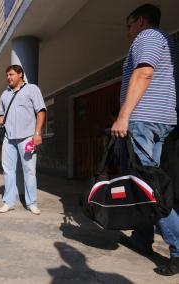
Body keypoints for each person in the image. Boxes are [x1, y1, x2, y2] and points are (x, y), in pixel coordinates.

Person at [111, 4, 179, 276]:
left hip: (143, 119)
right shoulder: (168, 41)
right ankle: (141, 238)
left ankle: (177, 248)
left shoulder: (148, 37)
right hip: (160, 119)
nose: (128, 33)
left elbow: (144, 73)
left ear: (139, 21)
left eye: (129, 26)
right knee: (143, 181)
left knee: (150, 187)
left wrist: (123, 116)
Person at [0, 64, 46, 215]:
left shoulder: (32, 89)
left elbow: (41, 112)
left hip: (27, 137)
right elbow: (1, 115)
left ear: (20, 75)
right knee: (8, 170)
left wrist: (37, 133)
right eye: (7, 75)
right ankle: (8, 202)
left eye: (11, 74)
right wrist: (1, 129)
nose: (8, 77)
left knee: (29, 170)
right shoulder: (4, 94)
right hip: (8, 138)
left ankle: (31, 203)